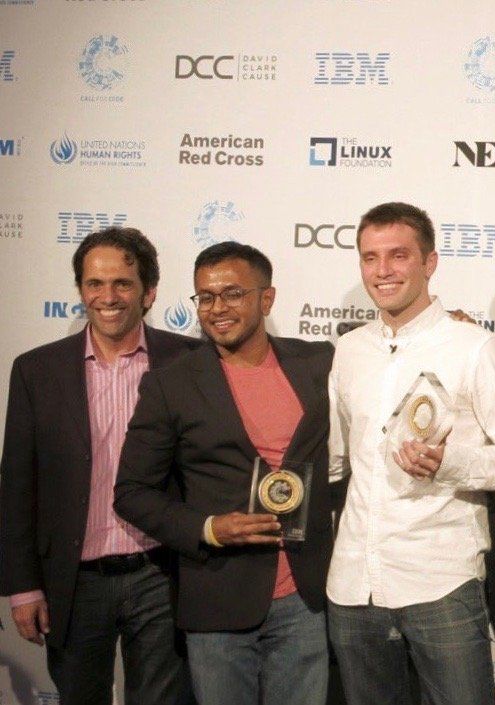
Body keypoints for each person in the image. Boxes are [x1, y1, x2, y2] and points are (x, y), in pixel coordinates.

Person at [326, 202, 495, 705]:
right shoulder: (349, 350)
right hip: (353, 583)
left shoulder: (475, 346)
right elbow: (336, 457)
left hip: (440, 580)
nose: (383, 271)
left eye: (398, 256)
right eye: (370, 258)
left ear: (429, 262)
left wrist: (451, 463)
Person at [114, 242, 335, 705]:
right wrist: (209, 528)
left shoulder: (319, 362)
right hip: (218, 600)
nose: (217, 309)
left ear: (266, 299)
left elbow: (391, 364)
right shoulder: (171, 383)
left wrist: (448, 326)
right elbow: (132, 492)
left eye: (233, 294)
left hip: (305, 597)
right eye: (205, 297)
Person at [0, 227, 195, 705]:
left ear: (149, 292)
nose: (107, 297)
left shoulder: (188, 360)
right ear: (81, 291)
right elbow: (17, 484)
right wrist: (23, 587)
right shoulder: (35, 370)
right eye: (94, 284)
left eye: (123, 284)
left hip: (161, 574)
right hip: (74, 579)